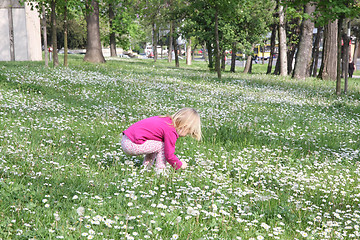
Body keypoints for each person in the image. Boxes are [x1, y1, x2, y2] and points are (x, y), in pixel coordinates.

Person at [121, 108, 201, 171]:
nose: (186, 135)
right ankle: (161, 171)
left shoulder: (165, 121)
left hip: (126, 139)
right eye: (188, 132)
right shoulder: (171, 130)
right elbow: (169, 155)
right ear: (184, 126)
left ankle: (146, 168)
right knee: (163, 146)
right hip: (132, 144)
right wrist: (179, 165)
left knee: (157, 144)